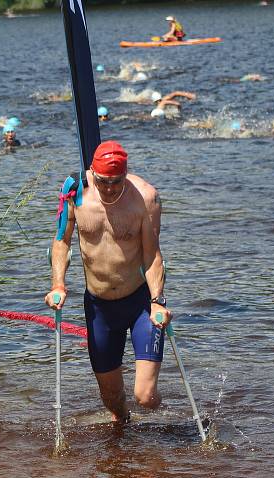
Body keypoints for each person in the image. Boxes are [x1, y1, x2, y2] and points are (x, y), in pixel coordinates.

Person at [46, 141, 171, 423]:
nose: (110, 188)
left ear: (126, 174)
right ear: (93, 172)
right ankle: (122, 436)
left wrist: (158, 301)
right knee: (113, 402)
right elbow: (61, 241)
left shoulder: (146, 198)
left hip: (139, 303)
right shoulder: (75, 191)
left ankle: (172, 419)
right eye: (104, 181)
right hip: (99, 308)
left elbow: (152, 256)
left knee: (146, 397)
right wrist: (58, 284)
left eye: (117, 181)